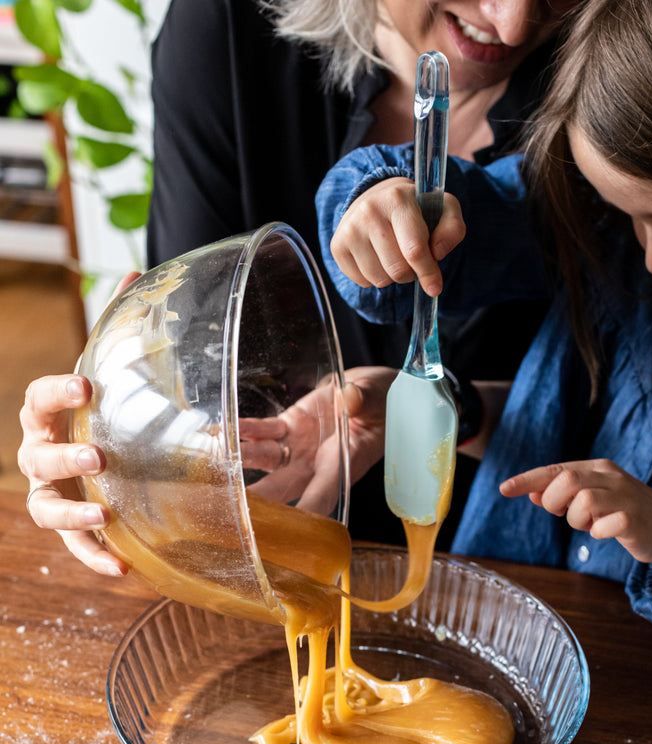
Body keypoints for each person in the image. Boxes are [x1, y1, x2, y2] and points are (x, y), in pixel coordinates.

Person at [18, 0, 581, 572]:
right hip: (266, 554)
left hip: (510, 574)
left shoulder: (620, 100)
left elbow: (621, 426)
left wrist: (447, 410)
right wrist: (101, 439)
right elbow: (189, 359)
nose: (511, 25)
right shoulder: (231, 31)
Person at [315, 0, 652, 677]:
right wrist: (381, 208)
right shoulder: (598, 225)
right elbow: (445, 235)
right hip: (497, 663)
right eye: (630, 216)